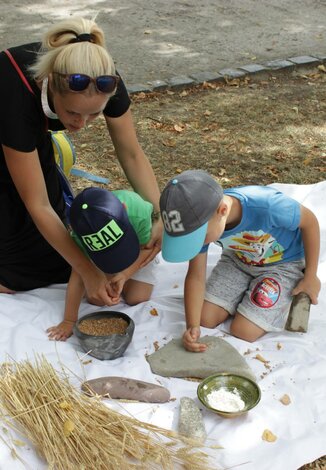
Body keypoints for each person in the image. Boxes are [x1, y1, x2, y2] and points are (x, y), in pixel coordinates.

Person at [0, 17, 162, 303]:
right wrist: (88, 271)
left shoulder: (103, 78)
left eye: (93, 114)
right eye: (73, 113)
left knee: (55, 251)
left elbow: (132, 153)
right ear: (49, 86)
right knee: (15, 261)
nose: (82, 123)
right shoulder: (15, 96)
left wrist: (160, 216)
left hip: (29, 132)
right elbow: (36, 203)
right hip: (8, 118)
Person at [159, 169, 321, 351]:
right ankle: (246, 293)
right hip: (238, 259)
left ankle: (276, 293)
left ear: (223, 211)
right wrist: (192, 326)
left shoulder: (268, 207)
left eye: (197, 238)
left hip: (282, 264)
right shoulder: (201, 222)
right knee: (205, 318)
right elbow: (196, 276)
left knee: (244, 330)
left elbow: (310, 222)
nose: (196, 245)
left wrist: (311, 275)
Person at [47, 187, 159, 341]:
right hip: (106, 259)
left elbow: (149, 249)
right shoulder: (80, 235)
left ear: (124, 211)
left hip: (139, 252)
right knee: (96, 299)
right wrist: (69, 320)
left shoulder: (137, 212)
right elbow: (78, 274)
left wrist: (125, 275)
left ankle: (118, 277)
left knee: (137, 297)